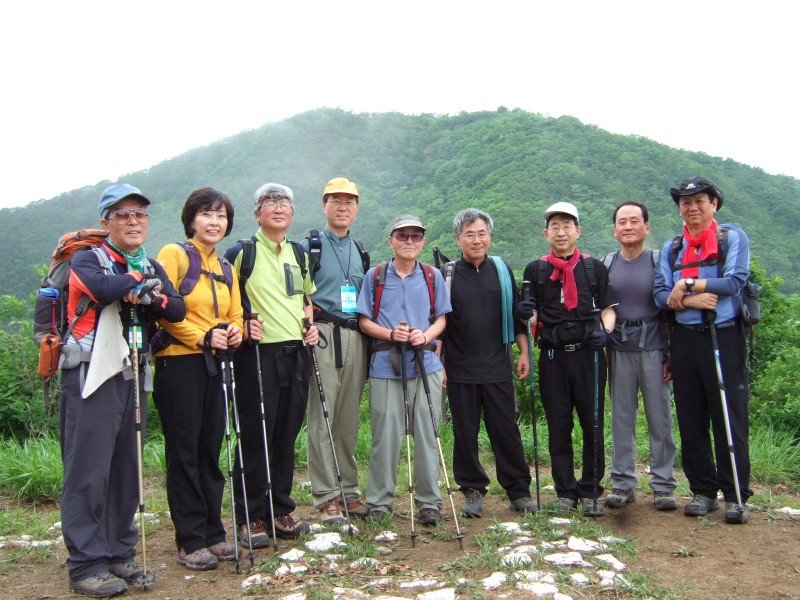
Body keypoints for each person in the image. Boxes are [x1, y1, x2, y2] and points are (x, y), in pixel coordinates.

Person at [60, 184, 185, 597]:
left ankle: (118, 551)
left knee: (126, 467)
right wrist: (136, 281)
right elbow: (102, 290)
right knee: (88, 468)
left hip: (131, 370)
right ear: (106, 222)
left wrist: (148, 295)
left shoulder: (149, 263)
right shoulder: (87, 258)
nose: (133, 221)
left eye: (140, 214)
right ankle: (86, 563)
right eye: (123, 214)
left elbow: (177, 309)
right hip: (90, 373)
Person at [153, 188, 243, 570]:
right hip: (179, 364)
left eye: (221, 216)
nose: (214, 221)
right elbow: (161, 307)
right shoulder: (174, 254)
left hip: (216, 365)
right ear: (191, 219)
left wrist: (235, 332)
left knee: (209, 449)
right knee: (185, 452)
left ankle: (213, 534)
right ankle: (190, 540)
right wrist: (202, 336)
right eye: (207, 214)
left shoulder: (226, 267)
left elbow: (236, 313)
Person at [654, 177, 753, 524]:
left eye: (700, 201)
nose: (692, 207)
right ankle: (703, 491)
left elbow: (735, 282)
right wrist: (689, 299)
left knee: (728, 414)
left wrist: (687, 283)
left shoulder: (732, 238)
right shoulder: (672, 248)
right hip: (684, 339)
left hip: (723, 336)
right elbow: (660, 294)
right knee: (690, 416)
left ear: (714, 204)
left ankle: (735, 494)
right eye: (686, 202)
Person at [224, 183, 318, 546]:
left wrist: (310, 327)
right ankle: (250, 515)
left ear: (292, 212)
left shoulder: (299, 253)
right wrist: (241, 326)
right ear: (256, 213)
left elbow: (305, 299)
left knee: (286, 433)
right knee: (255, 433)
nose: (278, 208)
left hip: (297, 352)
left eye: (285, 203)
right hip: (257, 354)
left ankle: (279, 508)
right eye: (270, 202)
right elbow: (224, 300)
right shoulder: (241, 253)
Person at [518, 202, 617, 517]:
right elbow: (533, 316)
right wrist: (526, 314)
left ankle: (590, 490)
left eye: (567, 226)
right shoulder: (536, 270)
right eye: (555, 227)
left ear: (578, 231)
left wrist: (606, 332)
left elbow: (607, 309)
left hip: (589, 354)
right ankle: (564, 491)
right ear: (546, 233)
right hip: (553, 355)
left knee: (592, 423)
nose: (561, 232)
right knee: (558, 424)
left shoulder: (593, 268)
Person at [441, 208, 536, 518]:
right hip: (459, 368)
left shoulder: (501, 270)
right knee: (465, 433)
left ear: (489, 237)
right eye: (469, 234)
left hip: (498, 365)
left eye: (482, 233)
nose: (477, 240)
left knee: (506, 429)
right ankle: (472, 490)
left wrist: (524, 353)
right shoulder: (447, 274)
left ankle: (519, 491)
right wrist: (438, 363)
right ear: (458, 239)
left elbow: (518, 317)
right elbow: (439, 323)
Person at [356, 215, 452, 524]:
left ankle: (429, 502)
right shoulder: (375, 276)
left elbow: (441, 318)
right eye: (402, 235)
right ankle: (379, 501)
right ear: (391, 241)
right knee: (385, 437)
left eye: (415, 236)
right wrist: (389, 334)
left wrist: (425, 335)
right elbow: (363, 320)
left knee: (427, 434)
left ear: (423, 242)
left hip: (426, 364)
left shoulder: (432, 276)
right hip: (386, 365)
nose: (409, 241)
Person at [603, 202, 678, 511]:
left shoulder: (660, 261)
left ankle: (663, 485)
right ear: (615, 230)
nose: (628, 226)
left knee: (660, 418)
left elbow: (670, 308)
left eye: (635, 221)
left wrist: (671, 354)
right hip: (618, 349)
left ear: (647, 227)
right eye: (622, 222)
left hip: (654, 349)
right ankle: (622, 483)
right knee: (621, 418)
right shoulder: (607, 263)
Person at [303, 177, 369, 524]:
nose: (343, 207)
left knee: (348, 417)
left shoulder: (360, 250)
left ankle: (349, 491)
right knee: (322, 415)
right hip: (323, 334)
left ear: (357, 208)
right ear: (324, 205)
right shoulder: (309, 247)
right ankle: (327, 494)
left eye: (350, 202)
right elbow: (297, 295)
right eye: (336, 201)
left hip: (355, 335)